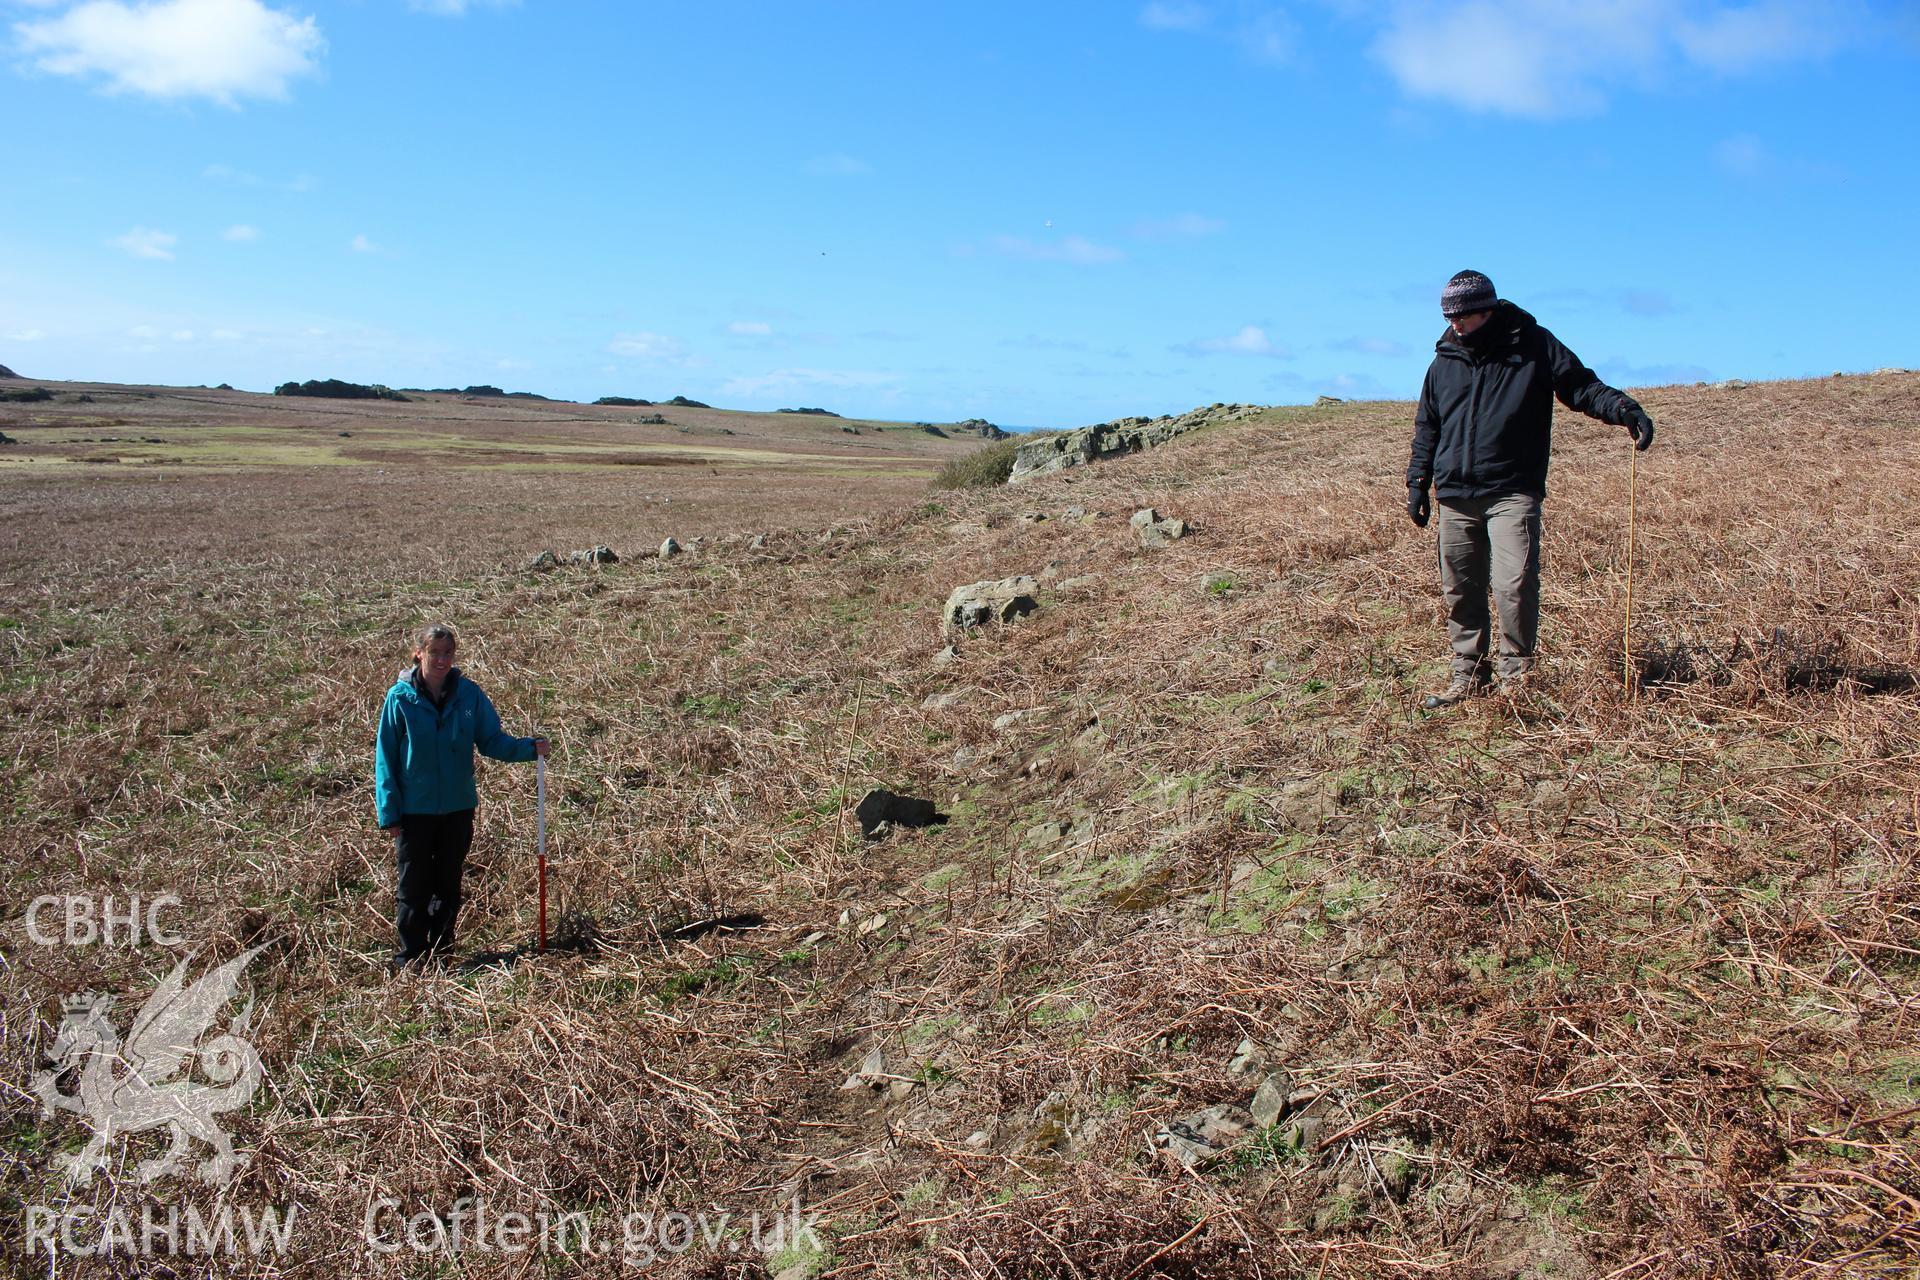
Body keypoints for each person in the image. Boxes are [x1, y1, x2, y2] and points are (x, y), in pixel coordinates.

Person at [1406, 270, 1655, 708]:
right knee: (1459, 588)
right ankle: (1467, 676)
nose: (1455, 324)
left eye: (1463, 316)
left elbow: (1580, 386)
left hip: (1512, 491)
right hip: (1456, 494)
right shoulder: (1443, 361)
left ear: (1487, 309)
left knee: (1513, 584)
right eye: (1449, 316)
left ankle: (1515, 679)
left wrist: (1622, 408)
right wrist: (1417, 483)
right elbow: (1428, 426)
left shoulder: (1533, 344)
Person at [373, 623, 547, 970]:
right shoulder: (399, 698)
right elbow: (386, 757)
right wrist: (389, 812)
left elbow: (492, 741)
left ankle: (441, 955)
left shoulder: (469, 695)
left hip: (457, 807)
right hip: (414, 811)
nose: (441, 659)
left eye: (447, 653)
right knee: (413, 887)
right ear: (419, 653)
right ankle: (410, 958)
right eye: (434, 652)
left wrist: (529, 749)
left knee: (448, 885)